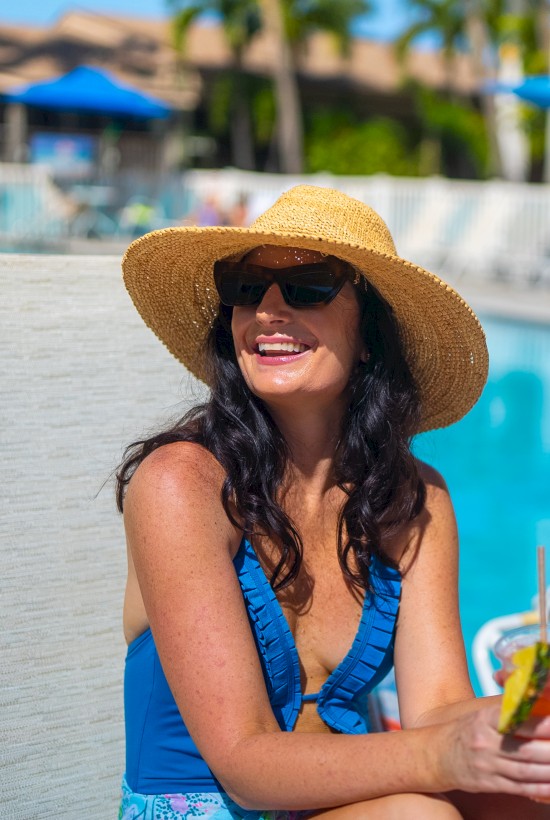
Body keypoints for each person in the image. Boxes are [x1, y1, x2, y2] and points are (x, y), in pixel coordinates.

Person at [117, 184, 550, 819]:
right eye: (245, 285)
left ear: (371, 332)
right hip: (210, 806)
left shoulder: (412, 498)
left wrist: (524, 710)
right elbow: (242, 763)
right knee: (420, 816)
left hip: (338, 803)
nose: (266, 309)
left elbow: (439, 710)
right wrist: (442, 756)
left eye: (308, 285)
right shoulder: (181, 485)